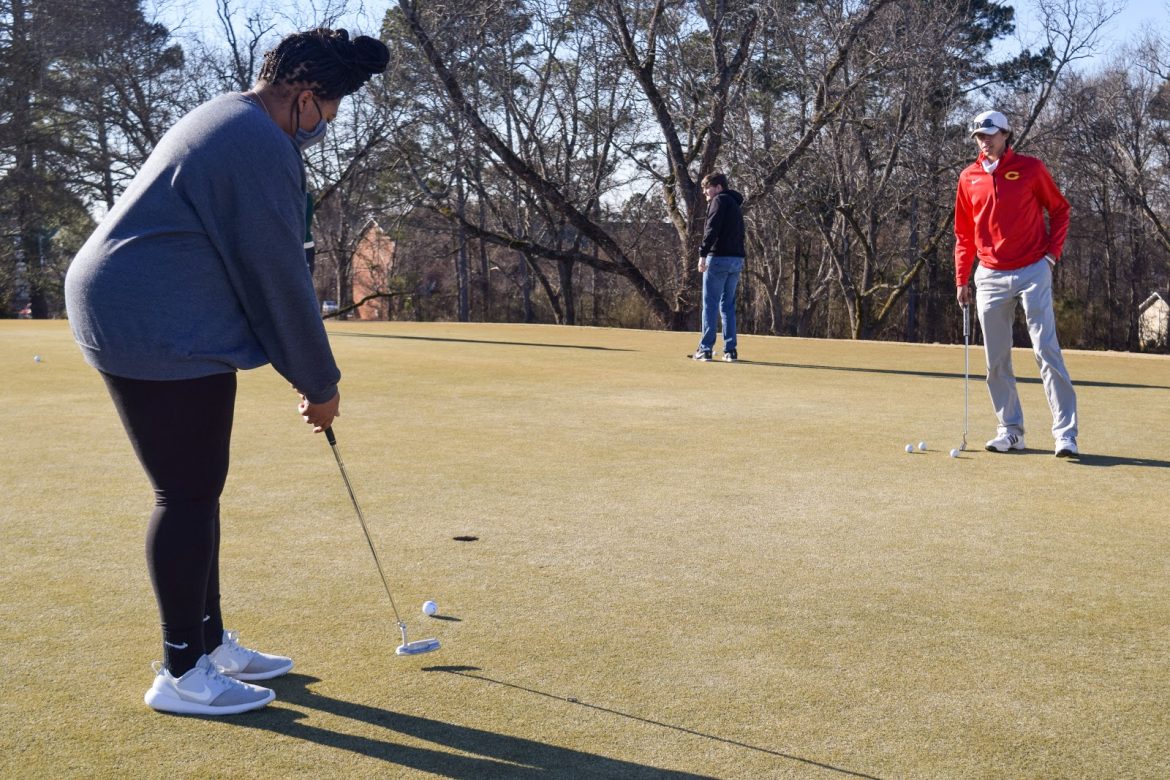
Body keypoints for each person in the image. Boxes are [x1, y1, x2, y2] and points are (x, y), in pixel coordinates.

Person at [64, 28, 390, 716]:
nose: (325, 127)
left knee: (198, 486)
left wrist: (309, 375)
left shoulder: (232, 116)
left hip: (150, 304)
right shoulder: (257, 144)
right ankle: (182, 671)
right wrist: (320, 384)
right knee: (184, 490)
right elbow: (276, 277)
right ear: (306, 97)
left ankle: (208, 643)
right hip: (148, 313)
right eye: (328, 113)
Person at [954, 109, 1079, 458]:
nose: (984, 140)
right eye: (979, 135)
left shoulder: (1031, 169)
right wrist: (962, 277)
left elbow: (1060, 209)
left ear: (1006, 134)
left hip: (1032, 269)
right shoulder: (968, 177)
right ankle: (1011, 430)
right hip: (989, 274)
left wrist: (1051, 256)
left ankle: (1065, 434)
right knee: (996, 360)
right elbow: (963, 232)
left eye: (990, 134)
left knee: (1045, 350)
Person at [691, 172, 746, 362]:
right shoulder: (735, 205)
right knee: (728, 305)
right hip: (736, 260)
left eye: (708, 187)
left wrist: (702, 254)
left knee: (710, 304)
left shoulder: (718, 201)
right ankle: (730, 351)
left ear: (719, 187)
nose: (705, 192)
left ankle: (705, 349)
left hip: (719, 259)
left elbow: (712, 229)